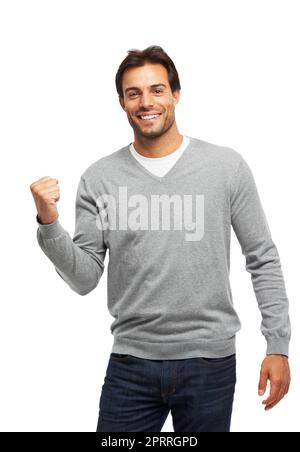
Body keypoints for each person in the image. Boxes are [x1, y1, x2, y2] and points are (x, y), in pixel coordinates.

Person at [30, 45, 291, 432]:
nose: (146, 102)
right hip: (131, 365)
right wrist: (49, 224)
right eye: (133, 93)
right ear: (121, 102)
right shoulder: (99, 178)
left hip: (210, 363)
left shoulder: (226, 167)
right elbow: (85, 278)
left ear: (175, 94)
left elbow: (262, 257)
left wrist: (278, 345)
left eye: (157, 90)